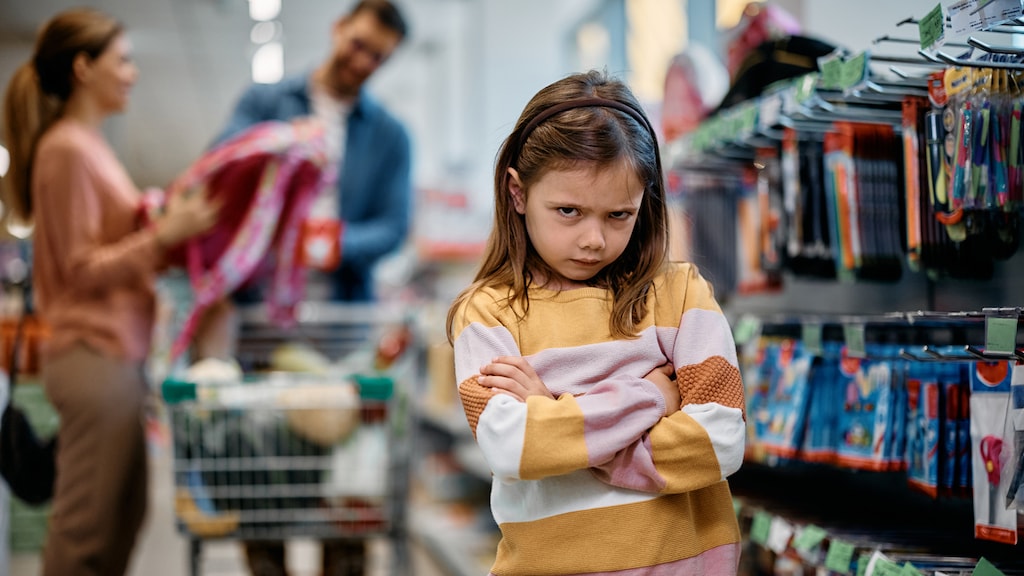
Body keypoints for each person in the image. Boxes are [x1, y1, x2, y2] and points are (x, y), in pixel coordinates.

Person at [445, 70, 746, 575]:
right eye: (568, 210)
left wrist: (556, 415)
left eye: (618, 215)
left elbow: (719, 443)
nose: (593, 240)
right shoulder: (488, 312)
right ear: (517, 193)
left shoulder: (681, 295)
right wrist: (652, 397)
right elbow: (514, 447)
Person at [0, 7, 219, 575]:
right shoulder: (67, 149)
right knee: (85, 532)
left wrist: (161, 231)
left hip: (114, 357)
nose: (132, 72)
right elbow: (77, 268)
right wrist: (163, 234)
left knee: (121, 518)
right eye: (121, 60)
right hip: (92, 355)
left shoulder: (87, 147)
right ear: (83, 67)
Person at [207, 1, 412, 574]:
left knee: (343, 496)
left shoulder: (390, 136)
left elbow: (394, 228)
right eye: (359, 43)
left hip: (343, 331)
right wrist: (277, 141)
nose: (363, 60)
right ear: (338, 29)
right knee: (263, 487)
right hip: (261, 330)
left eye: (378, 56)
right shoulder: (264, 103)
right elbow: (221, 167)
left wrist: (332, 242)